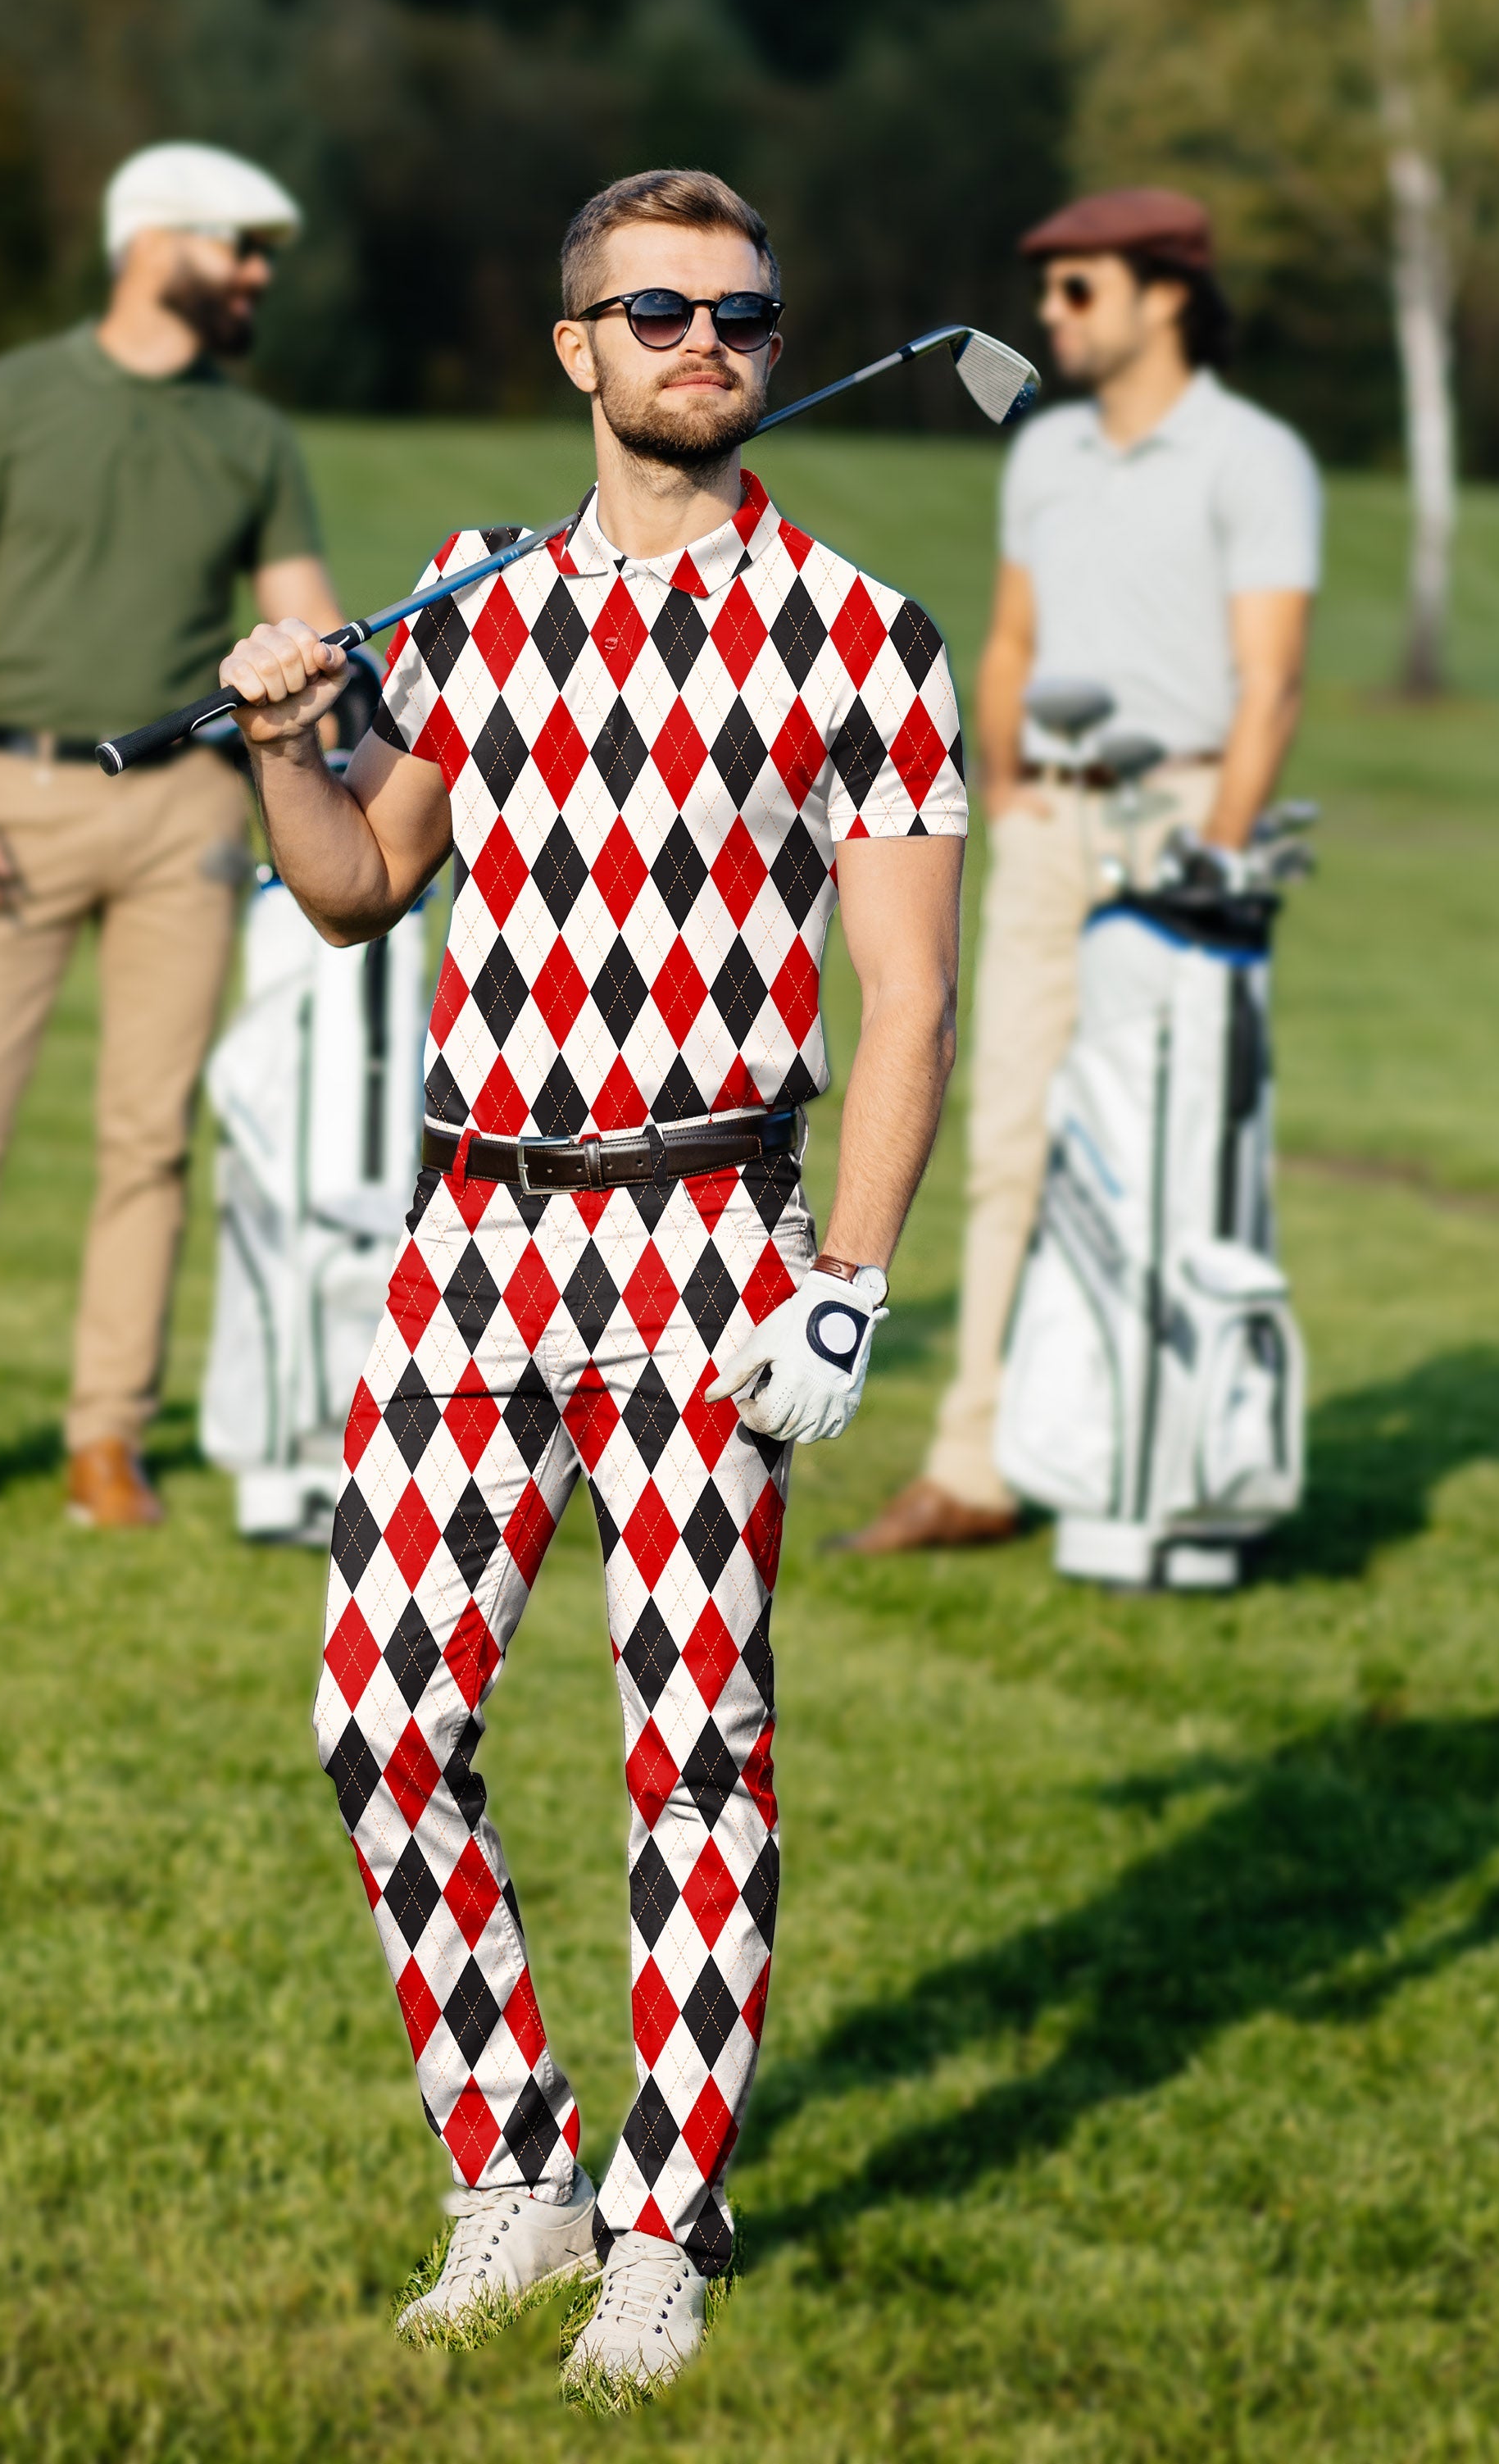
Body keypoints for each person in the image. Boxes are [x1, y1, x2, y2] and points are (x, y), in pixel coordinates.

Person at [216, 168, 966, 2400]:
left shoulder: (863, 632)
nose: (704, 340)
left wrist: (849, 1272)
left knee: (691, 1744)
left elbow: (908, 997)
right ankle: (517, 2162)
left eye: (739, 309)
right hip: (476, 1230)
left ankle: (663, 2223)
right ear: (581, 352)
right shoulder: (477, 602)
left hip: (712, 1233)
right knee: (380, 1723)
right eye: (655, 310)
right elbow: (357, 888)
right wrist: (282, 733)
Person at [0, 142, 342, 1543]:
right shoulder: (8, 399)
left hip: (189, 817)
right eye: (240, 247)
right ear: (155, 245)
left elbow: (314, 622)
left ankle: (106, 1446)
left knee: (147, 1139)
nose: (260, 274)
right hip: (9, 798)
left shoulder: (253, 435)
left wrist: (332, 745)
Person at [843, 185, 1320, 1557]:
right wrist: (1009, 790)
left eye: (1078, 289)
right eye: (1045, 290)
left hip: (1181, 823)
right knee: (1005, 1148)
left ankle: (1157, 1463)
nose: (1050, 315)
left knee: (1163, 1156)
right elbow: (1008, 644)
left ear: (1167, 293)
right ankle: (978, 1465)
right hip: (1048, 826)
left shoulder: (1253, 456)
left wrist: (1215, 861)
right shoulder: (1044, 454)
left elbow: (1273, 684)